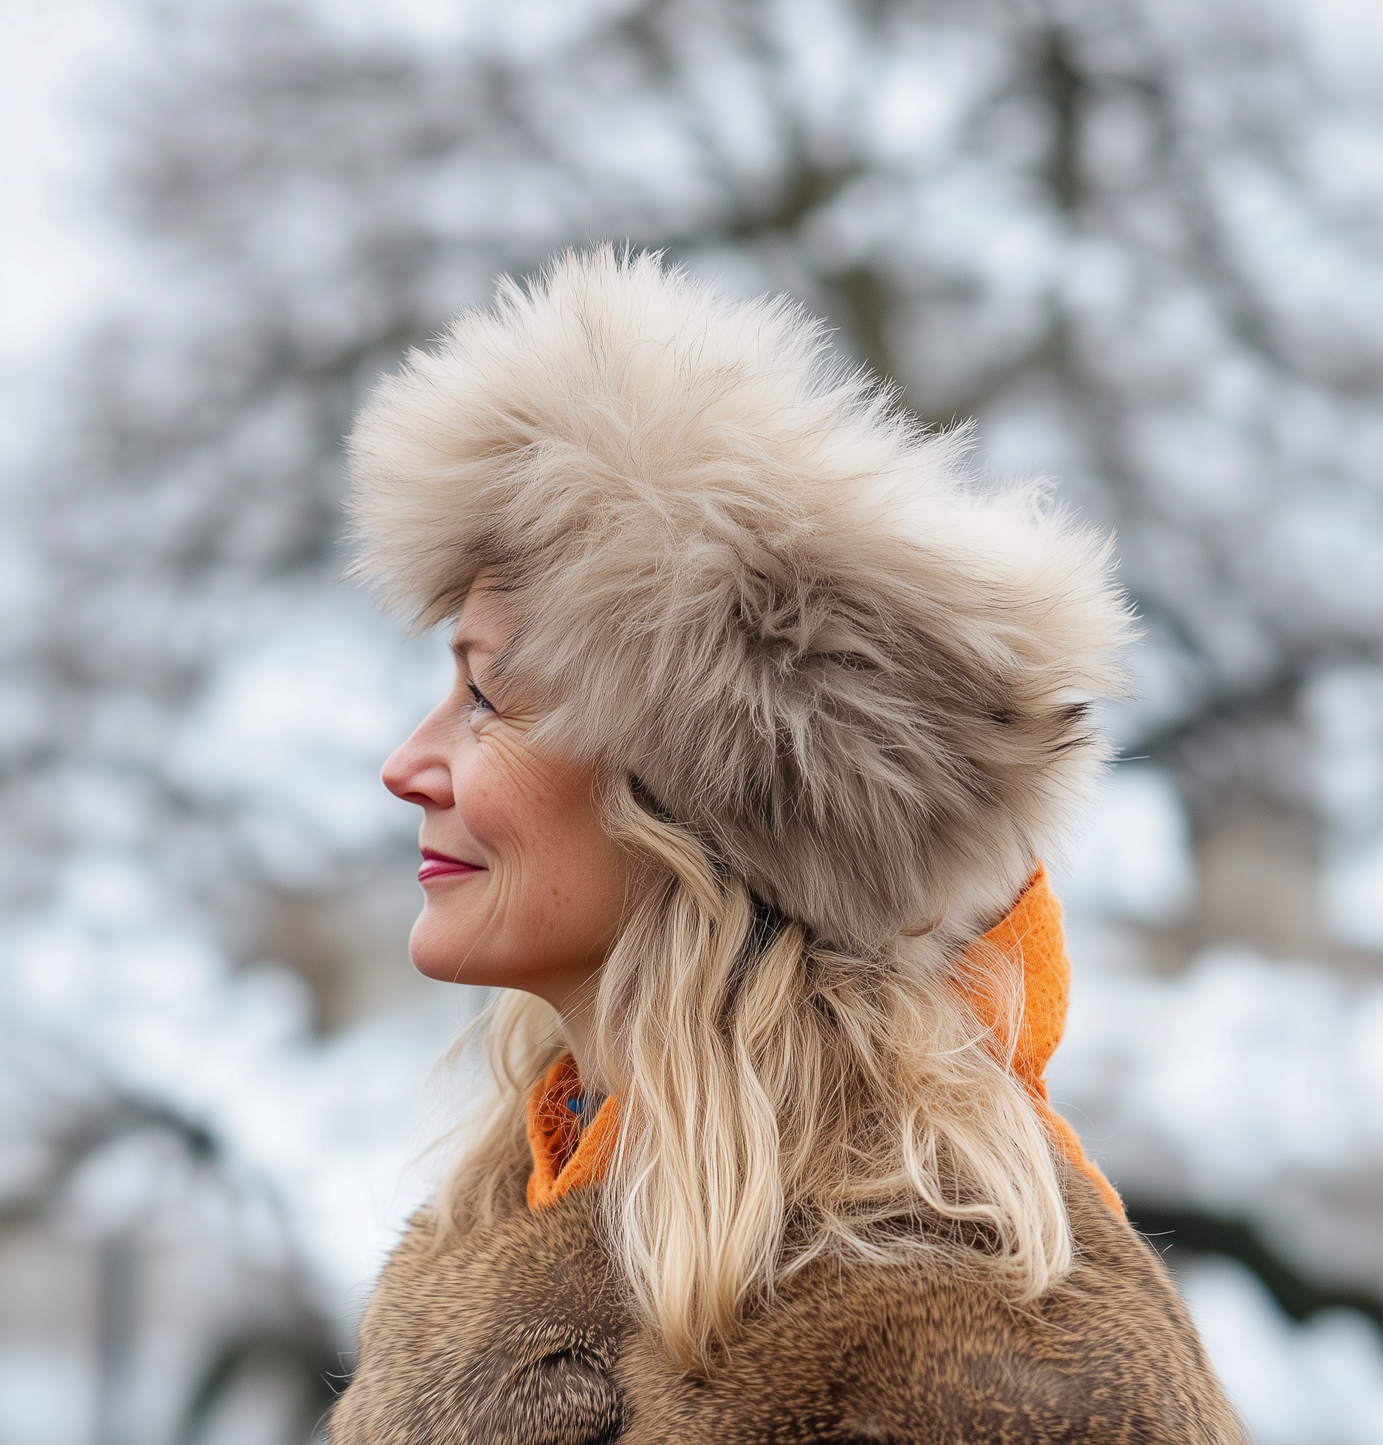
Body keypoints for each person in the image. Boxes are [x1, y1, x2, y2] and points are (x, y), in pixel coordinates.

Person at [327, 248, 1245, 1444]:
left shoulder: (984, 1353)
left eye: (486, 697)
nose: (407, 763)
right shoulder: (487, 1228)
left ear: (693, 802)